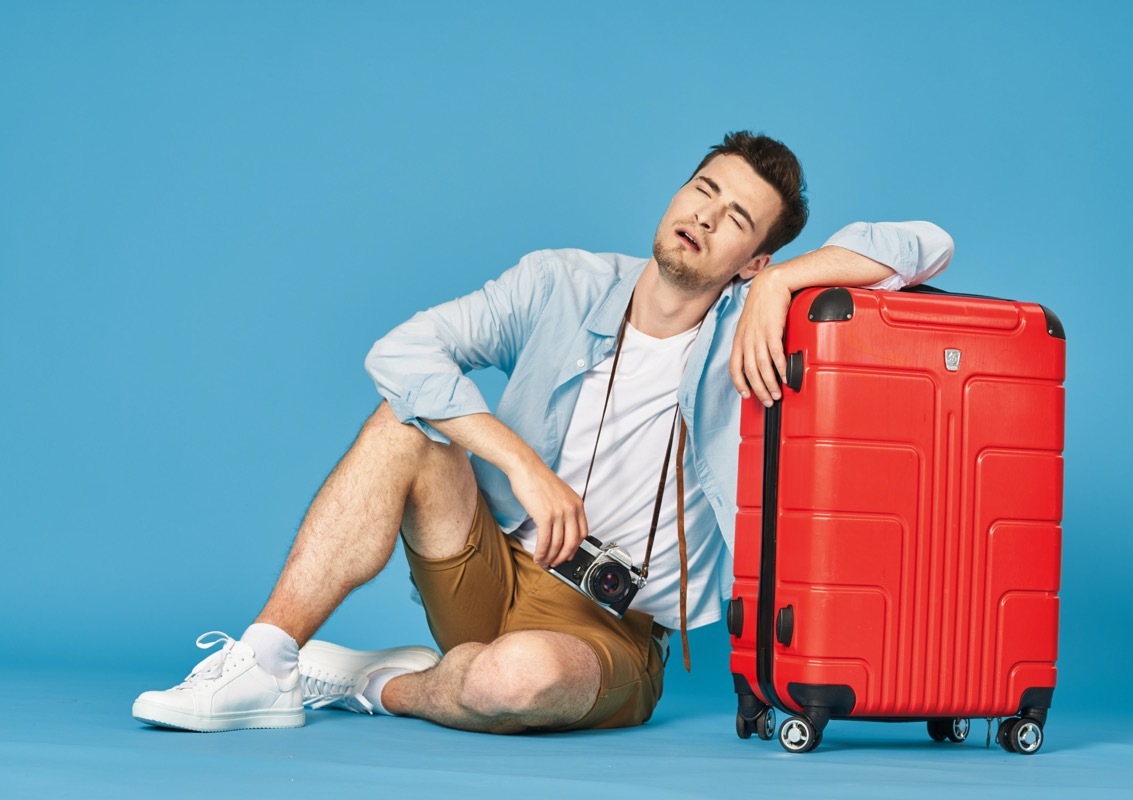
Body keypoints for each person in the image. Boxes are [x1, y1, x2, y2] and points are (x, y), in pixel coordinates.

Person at [132, 131, 952, 734]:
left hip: (611, 630)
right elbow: (400, 353)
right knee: (403, 426)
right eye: (703, 189)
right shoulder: (561, 282)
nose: (706, 216)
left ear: (751, 261)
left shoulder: (753, 324)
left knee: (515, 681)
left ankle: (383, 684)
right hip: (490, 564)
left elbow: (927, 245)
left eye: (738, 219)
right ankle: (266, 663)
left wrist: (788, 288)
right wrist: (519, 462)